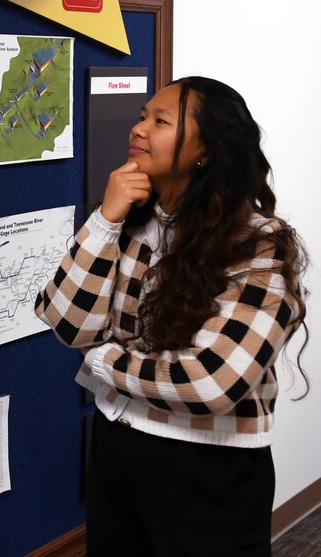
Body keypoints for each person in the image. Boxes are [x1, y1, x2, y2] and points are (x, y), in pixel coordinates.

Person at [35, 76, 308, 556]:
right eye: (143, 116)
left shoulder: (258, 244)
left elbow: (211, 384)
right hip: (115, 448)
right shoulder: (131, 222)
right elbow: (68, 324)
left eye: (160, 121)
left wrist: (102, 363)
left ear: (206, 149)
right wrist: (106, 218)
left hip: (206, 469)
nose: (138, 129)